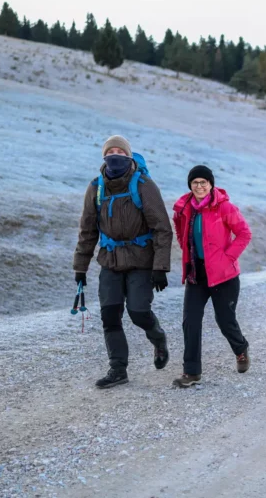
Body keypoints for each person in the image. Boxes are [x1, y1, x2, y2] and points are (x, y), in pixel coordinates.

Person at [73, 135, 173, 389]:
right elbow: (87, 230)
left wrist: (160, 267)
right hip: (110, 260)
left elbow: (162, 228)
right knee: (110, 315)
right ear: (104, 156)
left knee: (138, 312)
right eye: (110, 151)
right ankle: (118, 369)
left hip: (141, 260)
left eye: (120, 151)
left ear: (128, 155)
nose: (115, 154)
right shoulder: (96, 188)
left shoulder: (144, 185)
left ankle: (158, 338)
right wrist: (80, 267)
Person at [172, 165, 252, 387]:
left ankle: (241, 349)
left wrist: (228, 258)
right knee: (190, 321)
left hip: (224, 275)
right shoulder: (184, 207)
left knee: (225, 320)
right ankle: (191, 372)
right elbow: (180, 230)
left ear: (210, 184)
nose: (199, 186)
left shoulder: (224, 207)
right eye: (195, 182)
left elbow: (244, 233)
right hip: (196, 273)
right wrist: (185, 249)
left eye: (203, 182)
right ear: (190, 185)